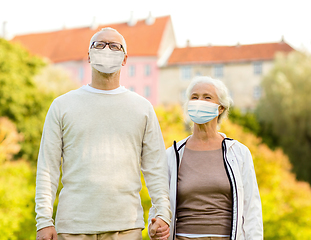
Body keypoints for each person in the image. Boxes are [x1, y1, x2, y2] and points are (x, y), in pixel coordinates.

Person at [35, 27, 171, 240]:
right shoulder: (62, 106)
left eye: (114, 46)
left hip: (126, 227)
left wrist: (163, 213)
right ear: (89, 55)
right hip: (73, 226)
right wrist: (44, 221)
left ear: (125, 59)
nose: (107, 49)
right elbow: (47, 168)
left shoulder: (142, 108)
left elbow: (156, 167)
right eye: (100, 44)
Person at [148, 76, 263, 240]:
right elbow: (159, 203)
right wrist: (153, 228)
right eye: (194, 97)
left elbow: (252, 209)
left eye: (207, 97)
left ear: (220, 107)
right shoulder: (172, 155)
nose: (199, 101)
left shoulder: (238, 153)